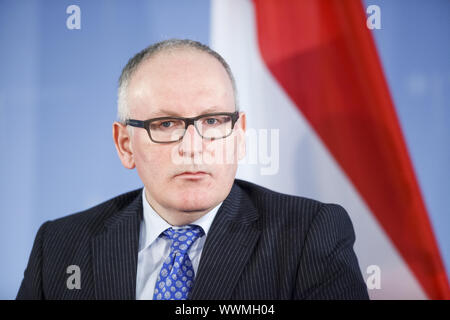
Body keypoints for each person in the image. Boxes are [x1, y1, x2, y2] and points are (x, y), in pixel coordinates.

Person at [17, 39, 369, 300]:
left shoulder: (309, 236)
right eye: (167, 124)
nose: (193, 145)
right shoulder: (60, 246)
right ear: (125, 145)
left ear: (239, 134)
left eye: (213, 121)